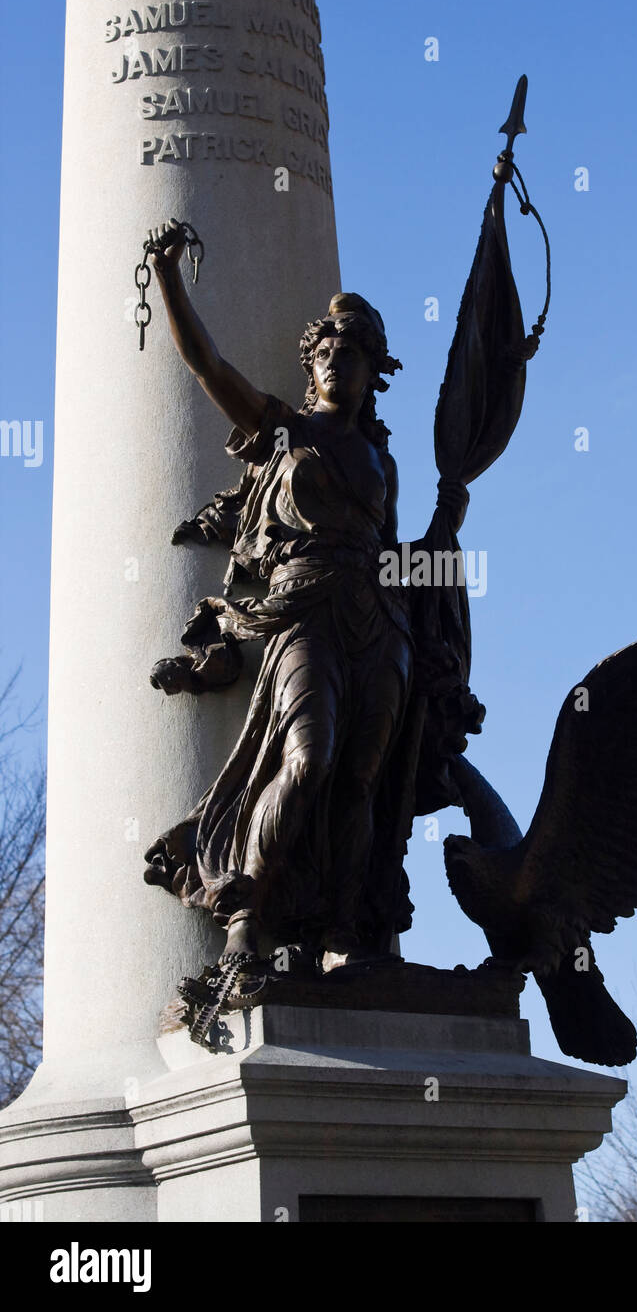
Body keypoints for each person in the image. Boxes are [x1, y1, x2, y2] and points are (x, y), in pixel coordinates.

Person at [143, 222, 415, 974]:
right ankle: (244, 914)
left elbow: (394, 552)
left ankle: (340, 930)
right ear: (311, 366)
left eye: (351, 352)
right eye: (325, 350)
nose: (336, 361)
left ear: (372, 369)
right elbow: (207, 364)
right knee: (307, 759)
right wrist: (166, 275)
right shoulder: (284, 429)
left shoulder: (382, 458)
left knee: (362, 775)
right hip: (302, 610)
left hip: (377, 617)